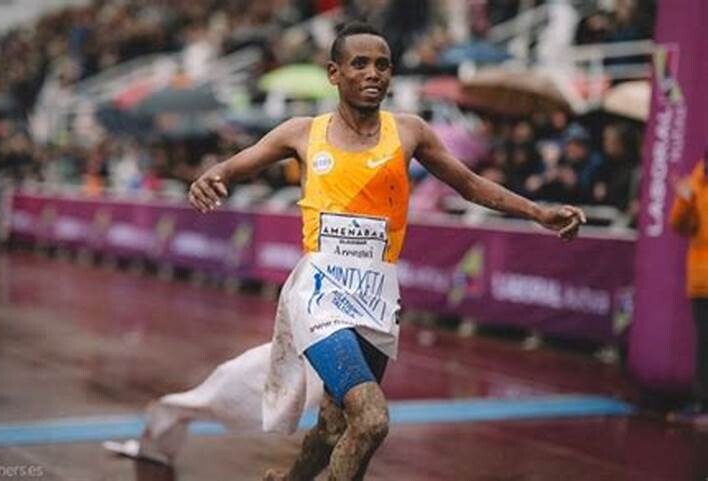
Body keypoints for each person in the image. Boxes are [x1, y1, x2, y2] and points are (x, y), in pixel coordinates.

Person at [186, 21, 586, 481]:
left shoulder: (409, 132)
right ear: (334, 73)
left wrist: (538, 212)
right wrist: (210, 178)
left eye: (382, 65)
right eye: (360, 64)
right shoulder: (302, 132)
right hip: (319, 295)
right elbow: (233, 167)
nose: (373, 73)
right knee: (371, 420)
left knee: (334, 429)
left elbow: (469, 183)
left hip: (376, 297)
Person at [669, 148, 708, 424]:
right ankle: (702, 403)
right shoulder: (697, 179)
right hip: (700, 281)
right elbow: (679, 225)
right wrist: (685, 199)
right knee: (704, 344)